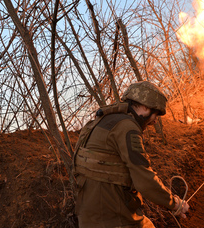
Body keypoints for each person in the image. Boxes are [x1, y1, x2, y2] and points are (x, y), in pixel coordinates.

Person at [73, 81, 190, 227]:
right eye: (155, 114)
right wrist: (175, 204)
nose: (154, 121)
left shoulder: (105, 120)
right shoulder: (127, 127)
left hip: (89, 215)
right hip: (111, 216)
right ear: (145, 107)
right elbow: (144, 178)